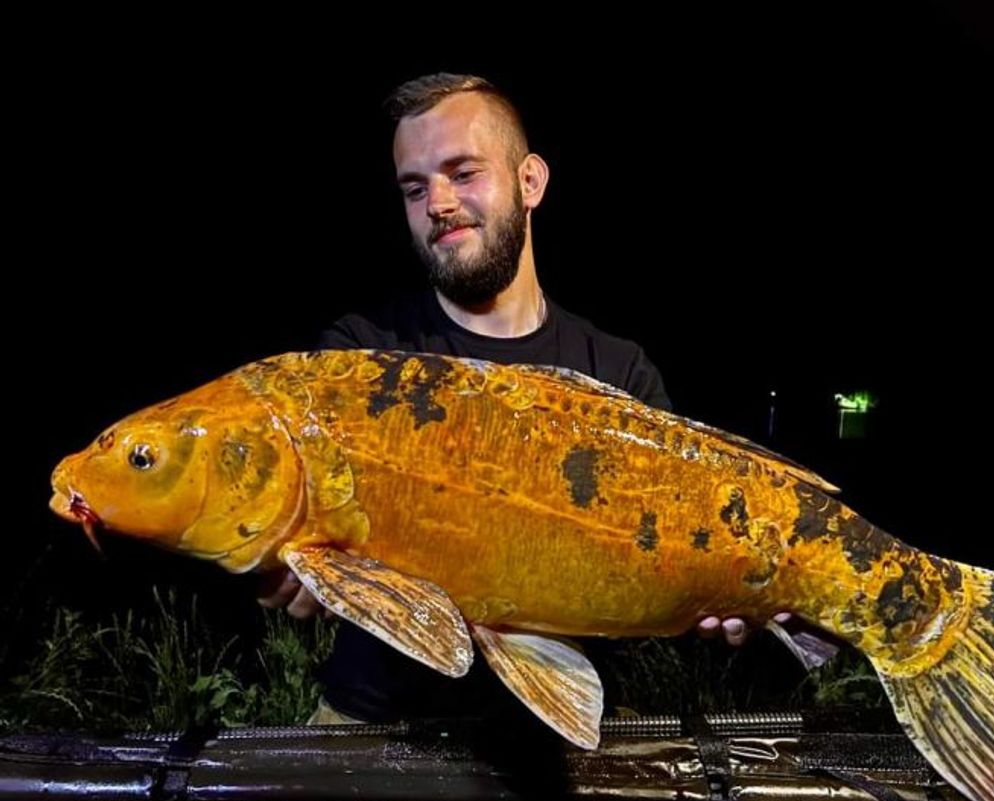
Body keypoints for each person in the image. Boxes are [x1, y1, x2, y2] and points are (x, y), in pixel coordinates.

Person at [257, 73, 748, 724]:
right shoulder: (361, 362)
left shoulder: (619, 374)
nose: (437, 202)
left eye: (462, 174)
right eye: (414, 186)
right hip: (380, 730)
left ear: (530, 182)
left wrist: (719, 595)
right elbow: (292, 532)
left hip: (564, 730)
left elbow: (671, 564)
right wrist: (276, 568)